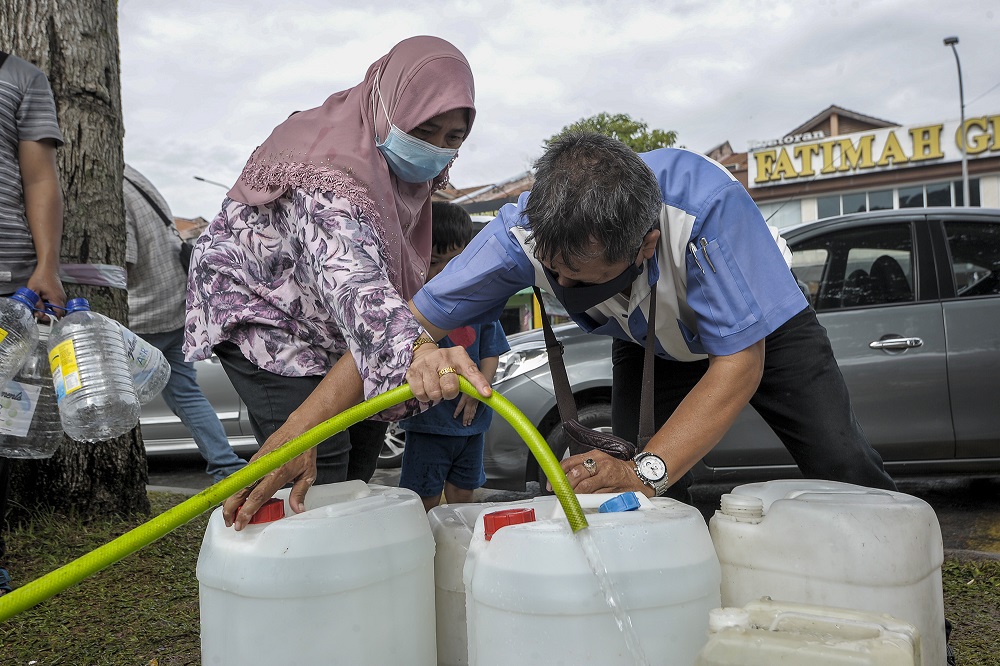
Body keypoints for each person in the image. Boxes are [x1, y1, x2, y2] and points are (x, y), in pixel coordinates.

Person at [407, 131, 897, 503]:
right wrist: (415, 352)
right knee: (636, 487)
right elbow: (407, 322)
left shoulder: (705, 207)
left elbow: (739, 364)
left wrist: (647, 471)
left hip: (763, 329)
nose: (567, 290)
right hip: (649, 336)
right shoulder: (522, 231)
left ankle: (906, 601)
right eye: (556, 274)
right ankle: (674, 606)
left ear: (646, 245)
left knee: (842, 460)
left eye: (584, 278)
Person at [184, 35, 489, 529]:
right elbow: (352, 280)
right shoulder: (329, 164)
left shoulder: (400, 179)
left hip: (341, 326)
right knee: (314, 466)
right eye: (424, 129)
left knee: (356, 470)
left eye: (453, 137)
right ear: (388, 106)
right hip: (270, 313)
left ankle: (345, 571)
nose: (435, 148)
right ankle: (288, 579)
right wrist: (414, 350)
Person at [123, 163, 247, 482]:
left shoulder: (111, 188)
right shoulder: (134, 174)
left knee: (108, 393)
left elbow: (122, 261)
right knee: (185, 391)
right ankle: (228, 469)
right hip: (176, 306)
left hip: (144, 315)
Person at [0, 50, 67, 595]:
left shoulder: (20, 77)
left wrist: (46, 264)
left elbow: (39, 177)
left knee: (0, 428)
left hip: (7, 285)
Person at [398, 202, 509, 511]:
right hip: (428, 425)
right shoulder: (413, 308)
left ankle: (458, 550)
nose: (446, 272)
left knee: (464, 493)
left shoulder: (479, 303)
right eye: (434, 261)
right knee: (424, 499)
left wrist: (478, 391)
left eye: (456, 261)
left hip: (472, 425)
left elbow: (491, 352)